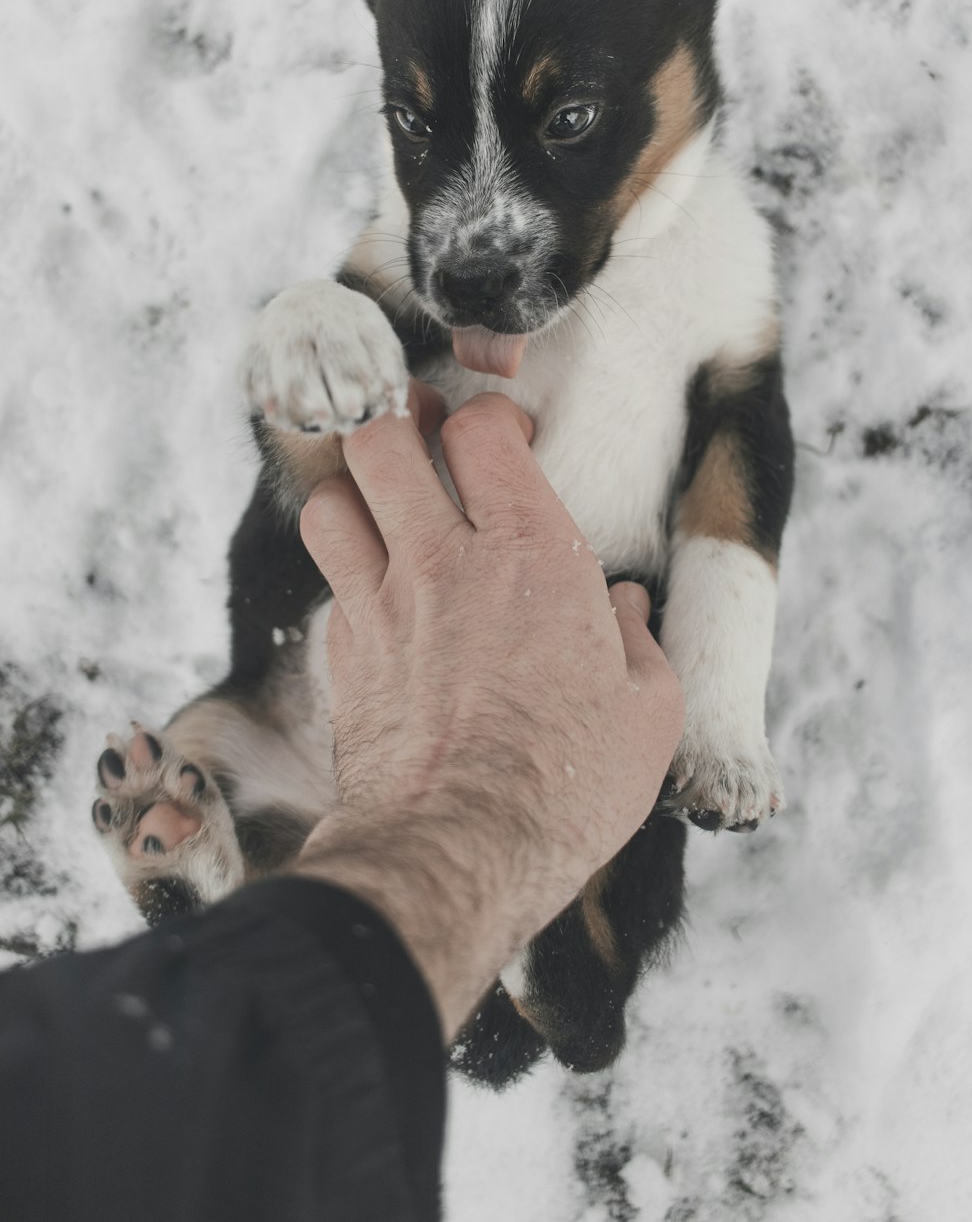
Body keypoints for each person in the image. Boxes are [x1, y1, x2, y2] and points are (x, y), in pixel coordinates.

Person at [0, 390, 683, 1222]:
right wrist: (495, 794)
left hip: (296, 692)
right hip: (537, 718)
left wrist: (318, 386)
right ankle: (557, 978)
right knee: (529, 1022)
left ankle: (232, 909)